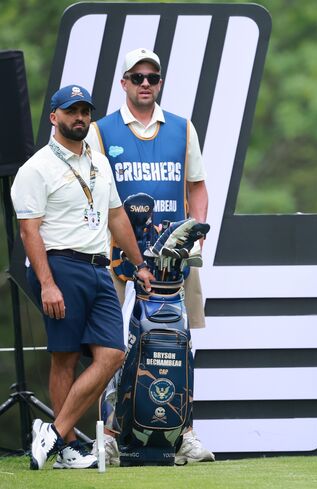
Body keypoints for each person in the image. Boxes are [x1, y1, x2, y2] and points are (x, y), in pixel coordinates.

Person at [11, 85, 155, 470]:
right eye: (71, 111)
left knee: (112, 354)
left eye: (85, 111)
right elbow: (28, 231)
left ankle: (54, 432)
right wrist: (47, 284)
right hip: (60, 266)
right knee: (66, 358)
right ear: (53, 116)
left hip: (99, 267)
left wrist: (139, 263)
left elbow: (116, 216)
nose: (79, 118)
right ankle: (69, 448)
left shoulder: (99, 162)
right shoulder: (36, 167)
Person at [83, 47, 213, 465]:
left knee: (180, 344)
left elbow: (197, 186)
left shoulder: (182, 127)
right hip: (118, 256)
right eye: (136, 77)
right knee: (110, 347)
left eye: (151, 78)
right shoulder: (101, 131)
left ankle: (184, 434)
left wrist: (196, 236)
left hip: (173, 258)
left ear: (159, 83)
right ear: (123, 82)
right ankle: (107, 436)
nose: (144, 83)